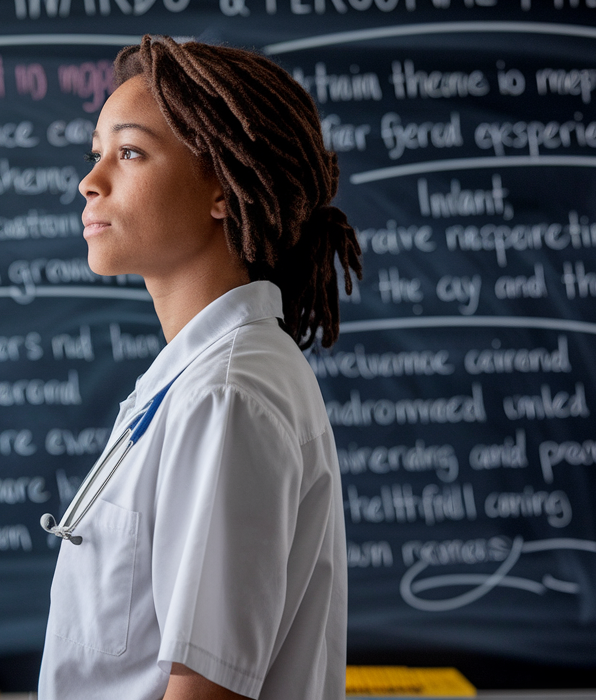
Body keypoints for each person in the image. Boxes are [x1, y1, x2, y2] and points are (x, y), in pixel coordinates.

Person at [38, 35, 362, 700]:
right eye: (96, 154)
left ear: (222, 187)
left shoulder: (225, 397)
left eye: (129, 153)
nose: (90, 181)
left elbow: (208, 691)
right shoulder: (205, 378)